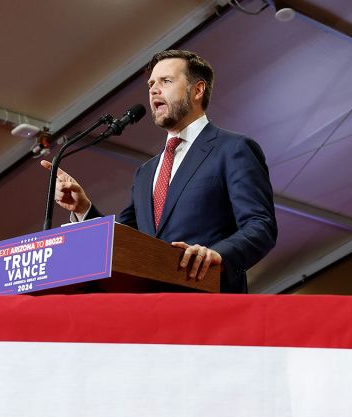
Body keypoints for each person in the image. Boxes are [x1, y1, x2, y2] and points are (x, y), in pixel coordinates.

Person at [45, 50, 276, 294]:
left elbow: (260, 225)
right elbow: (122, 242)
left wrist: (218, 255)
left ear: (197, 90)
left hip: (209, 304)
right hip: (151, 314)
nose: (154, 90)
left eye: (166, 81)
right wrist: (83, 209)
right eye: (151, 84)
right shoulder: (146, 173)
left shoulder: (232, 148)